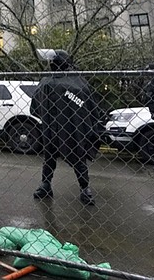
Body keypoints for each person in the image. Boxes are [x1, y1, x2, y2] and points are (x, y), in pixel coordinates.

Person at [31, 49, 103, 206]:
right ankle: (47, 185)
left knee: (69, 158)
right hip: (63, 129)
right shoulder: (63, 81)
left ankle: (84, 188)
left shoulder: (64, 82)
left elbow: (35, 107)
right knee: (53, 157)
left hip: (67, 129)